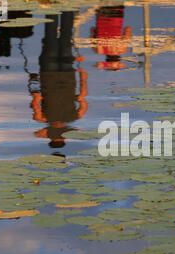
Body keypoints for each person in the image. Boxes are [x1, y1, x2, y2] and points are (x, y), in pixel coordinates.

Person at [30, 11, 88, 149]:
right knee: (51, 36)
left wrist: (83, 76)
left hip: (67, 75)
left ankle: (67, 8)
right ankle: (53, 9)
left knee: (66, 35)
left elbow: (82, 97)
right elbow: (36, 97)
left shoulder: (74, 117)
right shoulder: (43, 118)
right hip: (49, 75)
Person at [90, 6, 132, 71]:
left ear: (119, 57)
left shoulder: (122, 49)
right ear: (106, 58)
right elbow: (92, 29)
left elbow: (128, 28)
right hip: (101, 16)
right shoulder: (98, 50)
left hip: (117, 16)